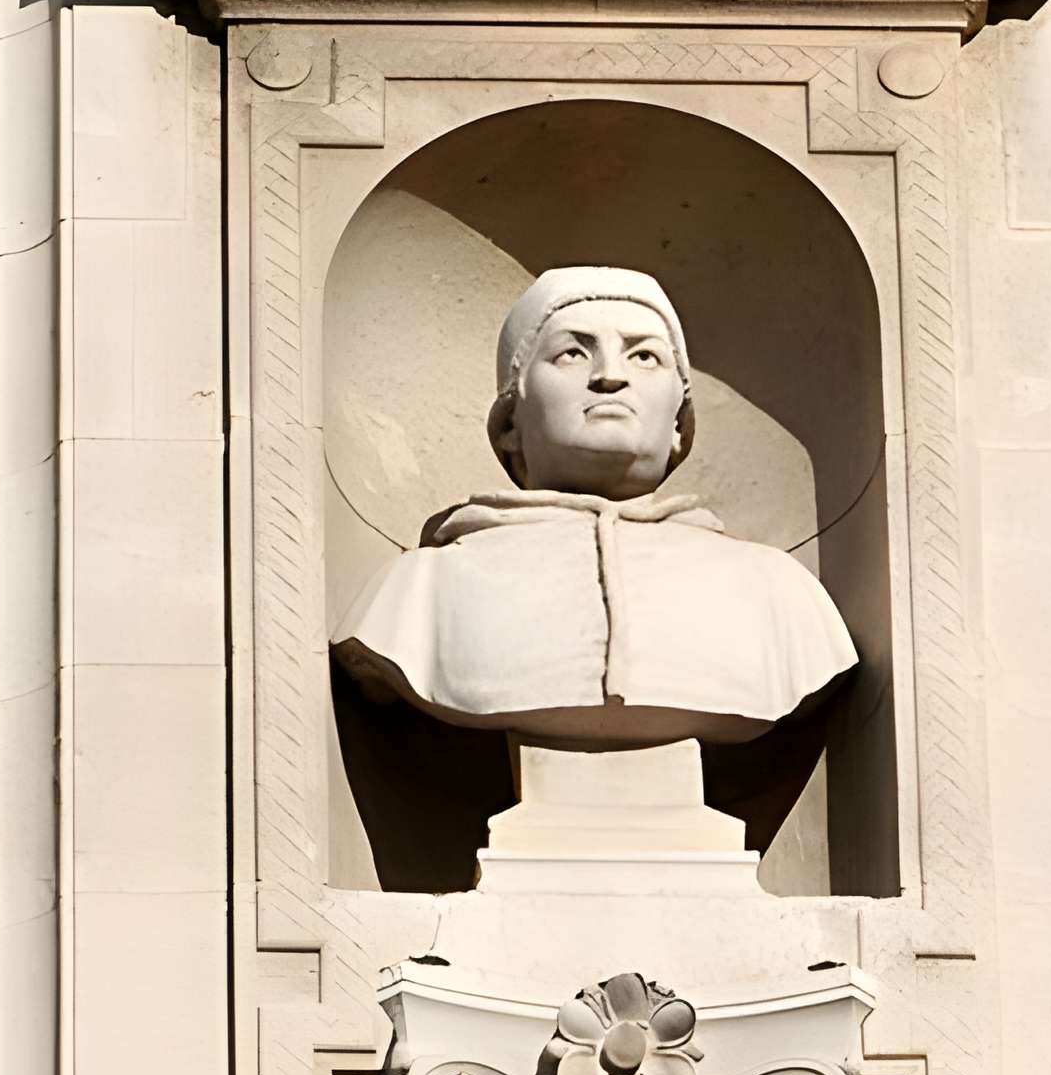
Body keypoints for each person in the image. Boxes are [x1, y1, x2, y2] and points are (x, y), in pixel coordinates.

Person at [331, 265, 857, 746]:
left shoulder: (777, 594)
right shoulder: (418, 592)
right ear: (510, 422)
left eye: (644, 356)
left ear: (680, 424)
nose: (610, 375)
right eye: (573, 353)